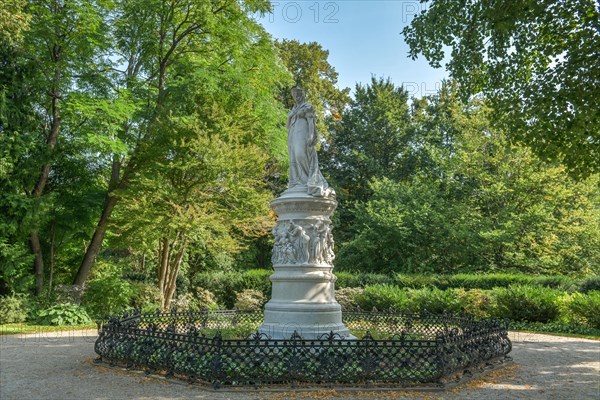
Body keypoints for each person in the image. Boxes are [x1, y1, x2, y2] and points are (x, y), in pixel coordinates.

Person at [287, 87, 335, 198]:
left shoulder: (307, 107)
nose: (295, 96)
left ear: (301, 94)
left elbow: (311, 122)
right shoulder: (293, 109)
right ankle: (299, 181)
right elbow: (287, 126)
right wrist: (290, 116)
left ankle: (307, 180)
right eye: (293, 95)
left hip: (303, 133)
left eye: (297, 94)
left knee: (301, 154)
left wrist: (311, 135)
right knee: (294, 157)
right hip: (293, 134)